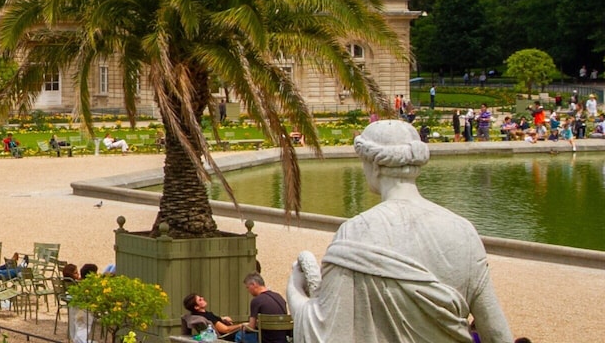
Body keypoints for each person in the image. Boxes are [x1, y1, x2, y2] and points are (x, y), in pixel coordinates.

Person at [289, 120, 512, 343]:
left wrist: (295, 291)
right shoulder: (463, 231)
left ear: (374, 165)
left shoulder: (356, 232)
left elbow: (323, 333)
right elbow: (497, 333)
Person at [181, 293, 246, 342]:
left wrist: (222, 318)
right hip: (231, 337)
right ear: (196, 307)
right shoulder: (207, 316)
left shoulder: (196, 315)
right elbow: (226, 329)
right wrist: (242, 325)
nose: (203, 298)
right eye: (200, 300)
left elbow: (214, 320)